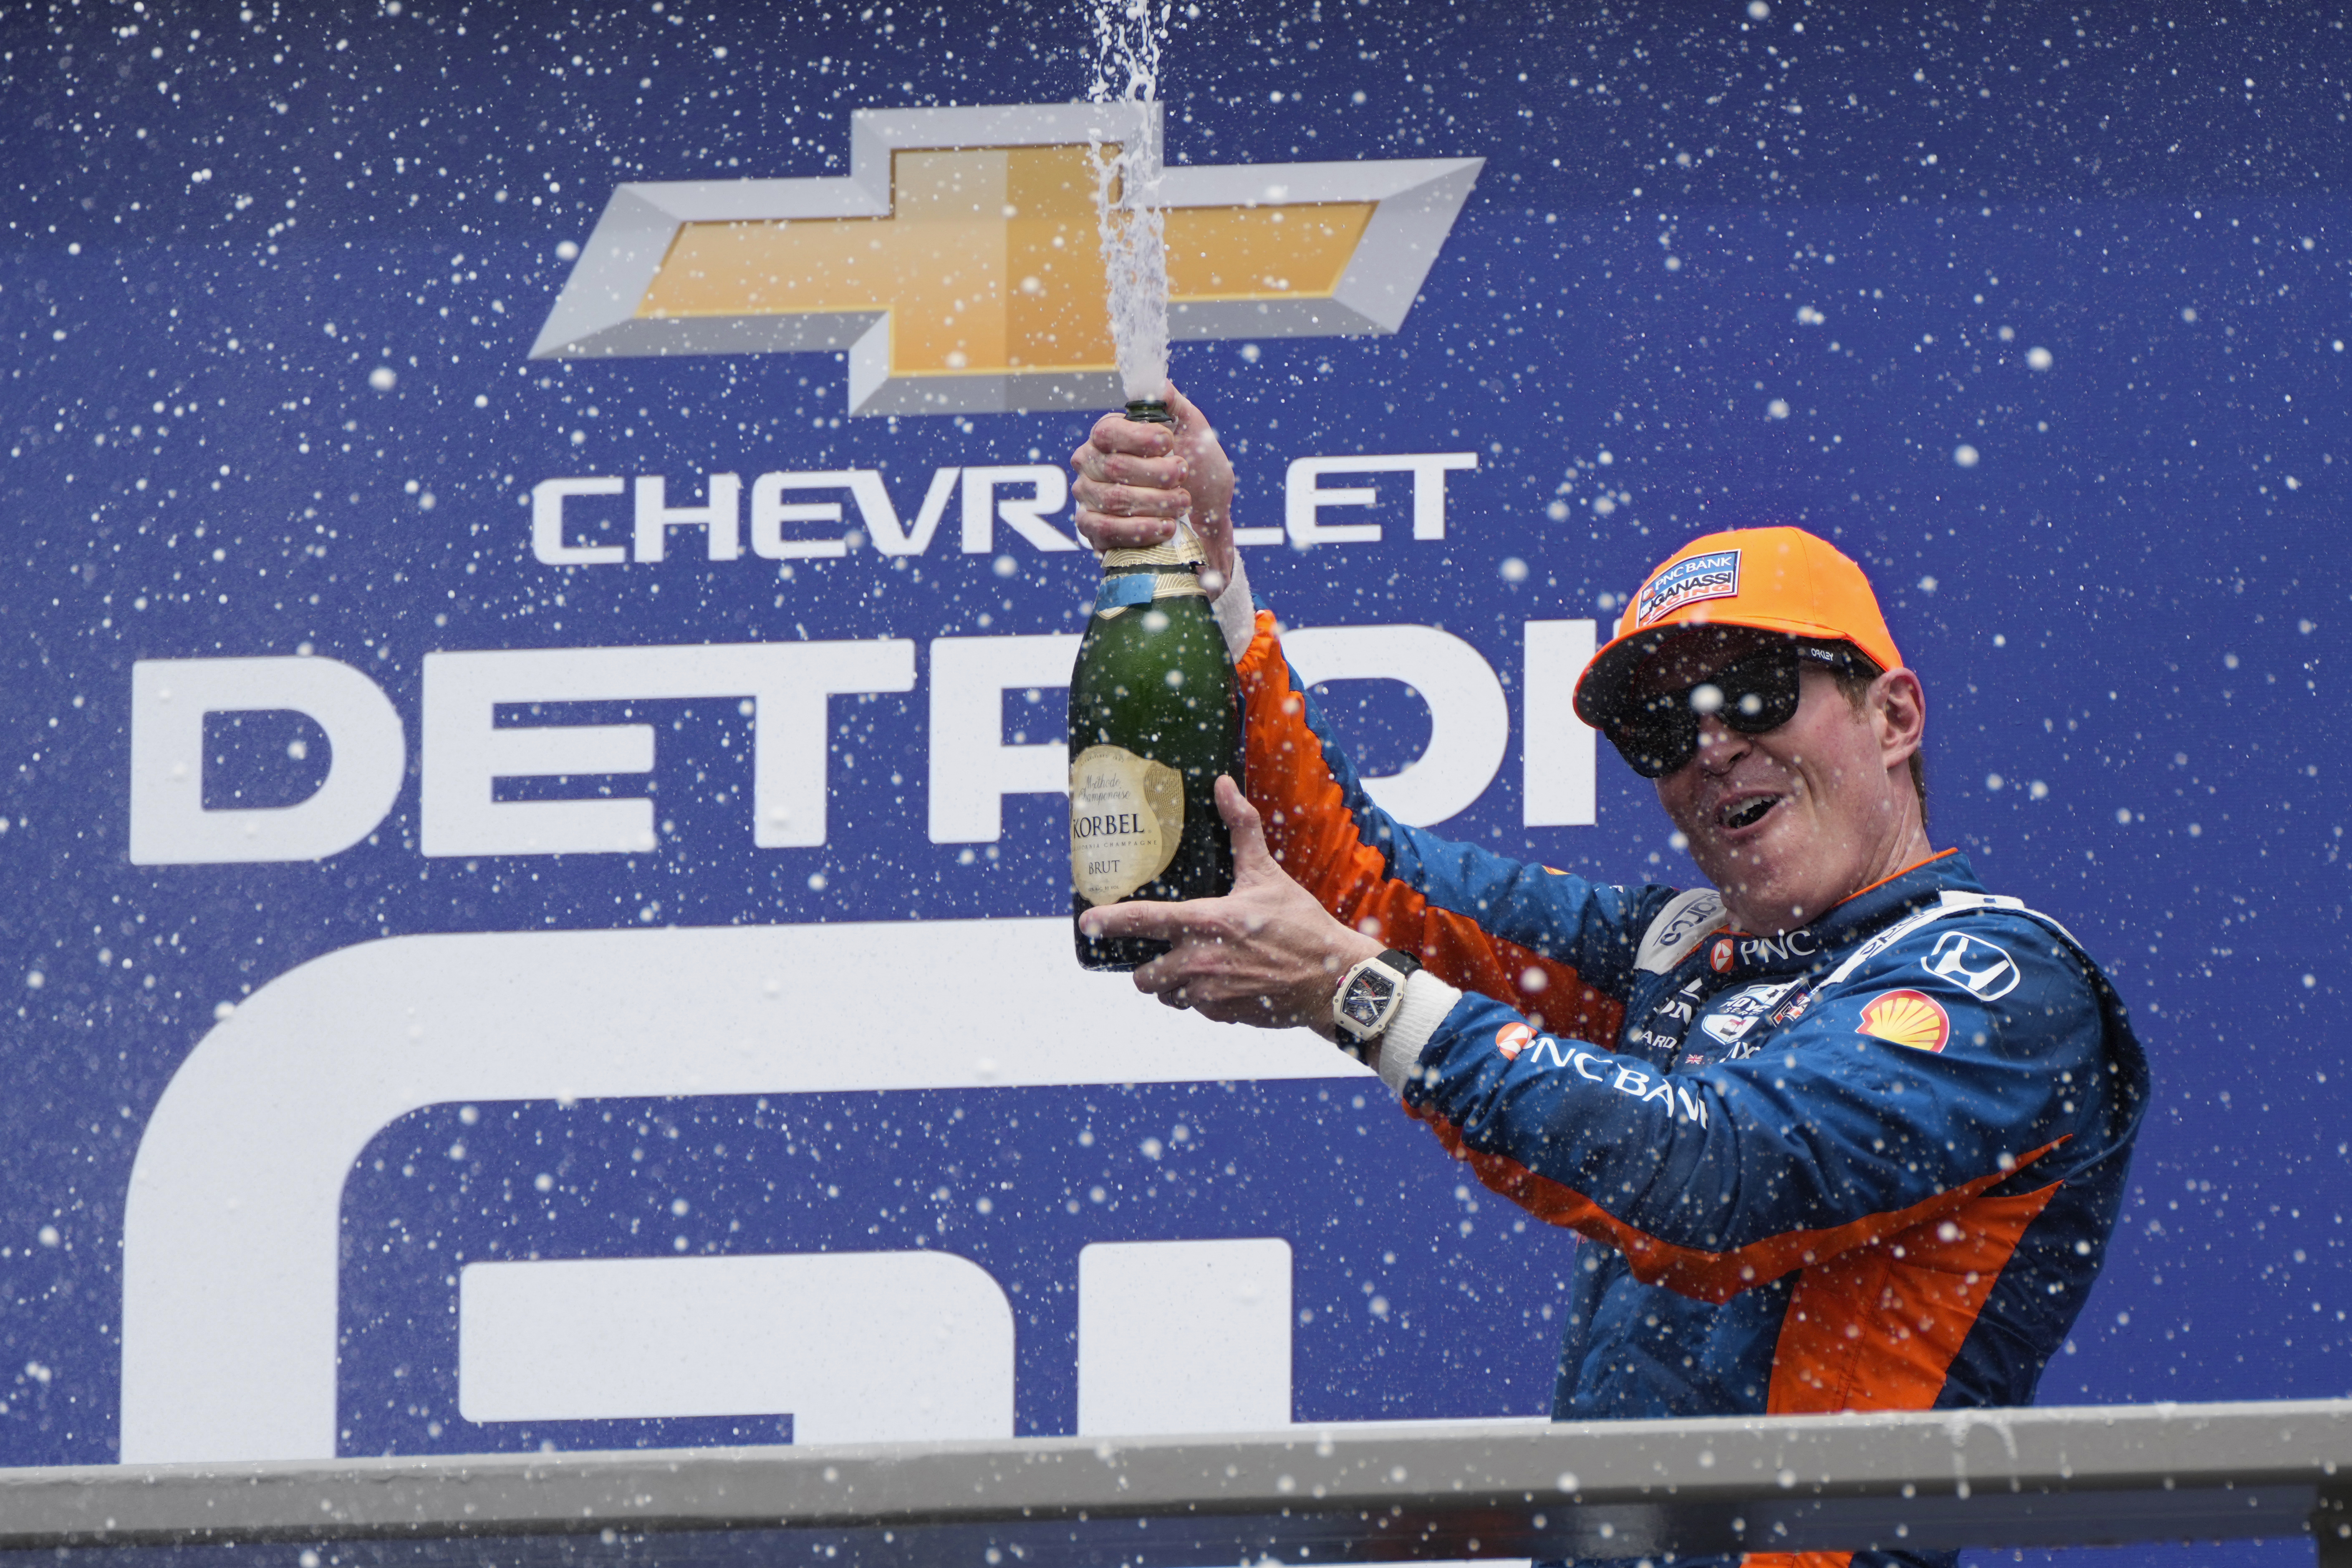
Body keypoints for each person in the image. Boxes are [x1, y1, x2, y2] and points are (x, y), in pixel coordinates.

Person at [1068, 386, 2148, 1454]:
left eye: (1755, 692)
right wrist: (1206, 569)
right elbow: (1359, 884)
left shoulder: (2001, 980)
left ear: (1894, 716)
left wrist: (1358, 994)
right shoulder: (1674, 953)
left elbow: (1718, 1184)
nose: (1710, 747)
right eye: (1659, 726)